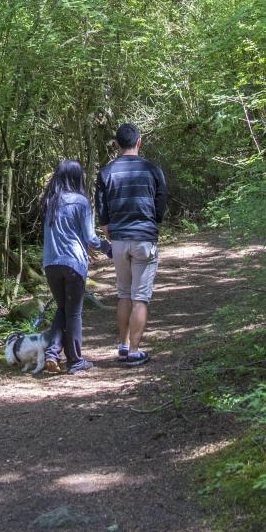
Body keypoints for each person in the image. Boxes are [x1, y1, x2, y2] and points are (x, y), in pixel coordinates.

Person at [95, 123, 167, 367]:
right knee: (140, 297)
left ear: (116, 144)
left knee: (124, 294)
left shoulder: (106, 172)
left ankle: (123, 346)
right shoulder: (153, 170)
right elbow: (160, 206)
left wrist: (110, 234)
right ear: (139, 141)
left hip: (119, 240)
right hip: (144, 238)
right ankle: (134, 352)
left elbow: (102, 213)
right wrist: (152, 224)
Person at [41, 159, 108, 375]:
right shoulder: (80, 201)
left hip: (51, 264)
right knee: (74, 313)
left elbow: (62, 231)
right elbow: (90, 237)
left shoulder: (49, 201)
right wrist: (108, 248)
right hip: (73, 264)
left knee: (63, 309)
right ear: (77, 177)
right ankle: (75, 361)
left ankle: (52, 354)